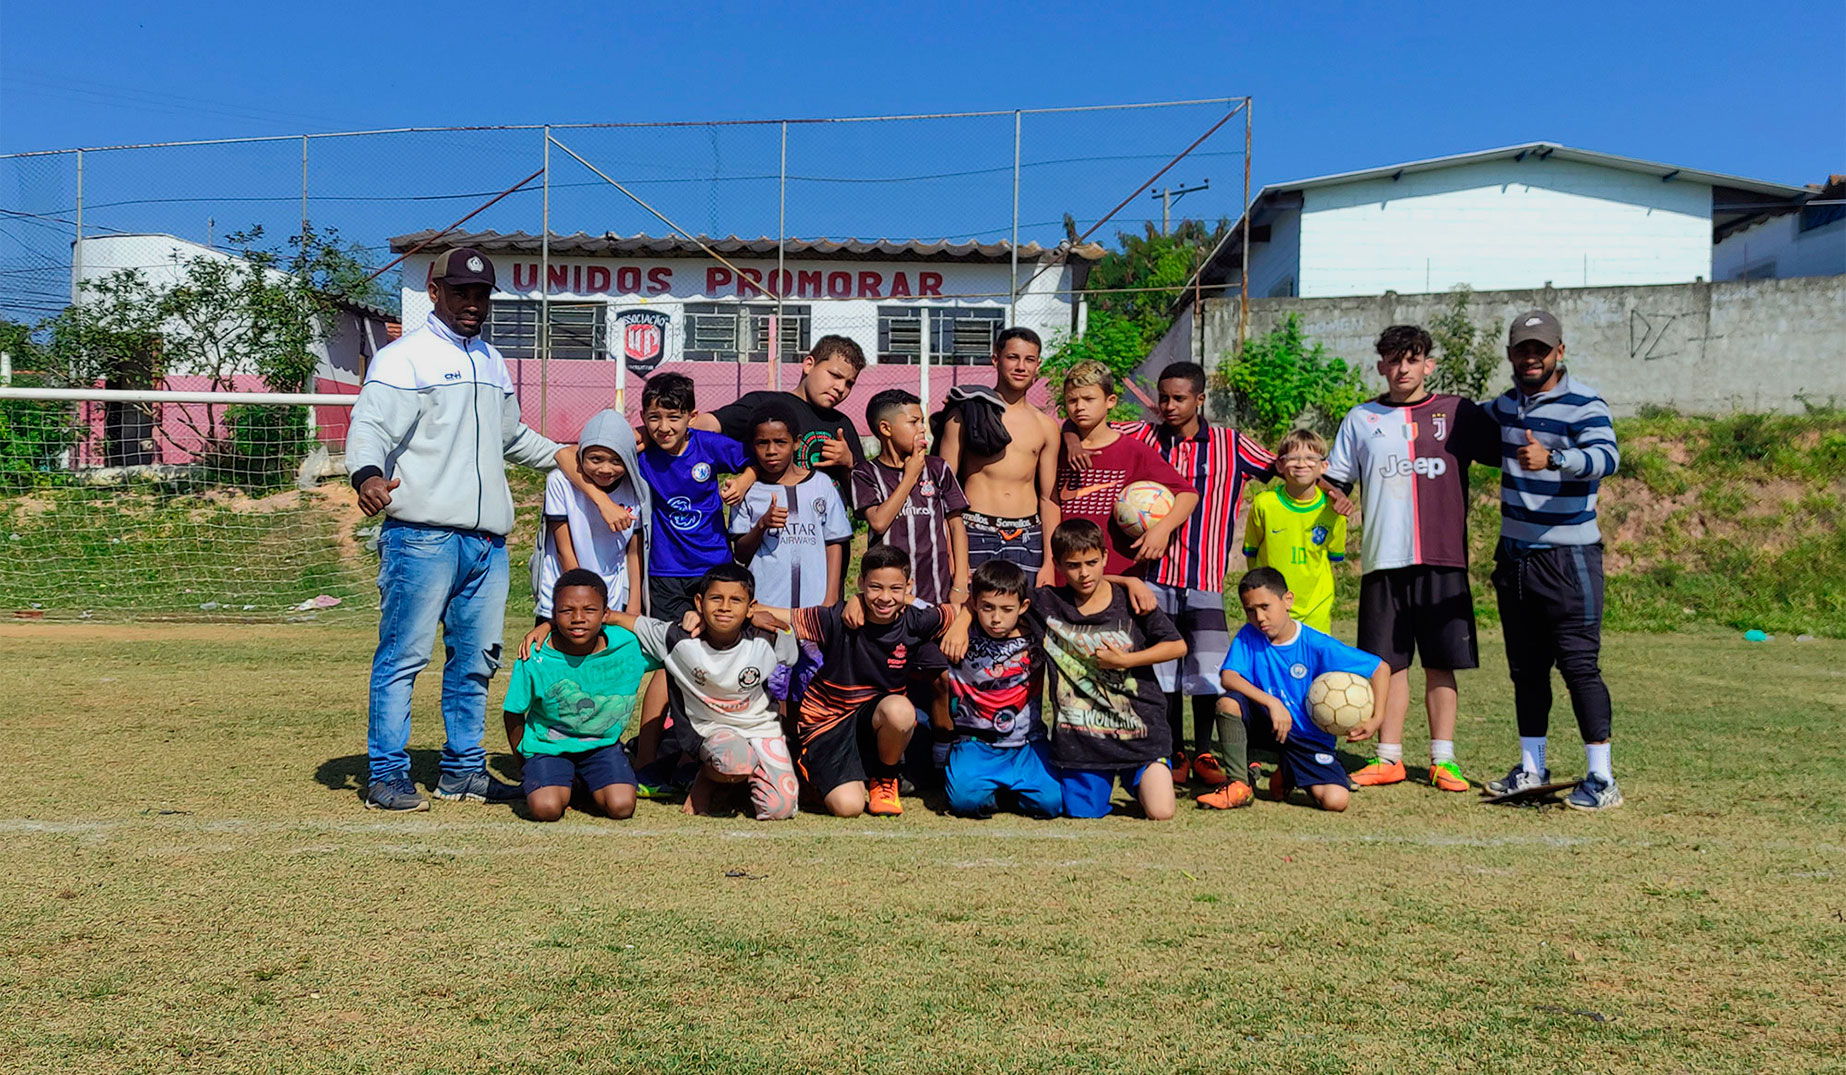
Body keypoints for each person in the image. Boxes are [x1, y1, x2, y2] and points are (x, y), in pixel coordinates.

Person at [347, 247, 616, 812]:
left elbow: (512, 437)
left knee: (476, 662)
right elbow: (368, 424)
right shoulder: (404, 359)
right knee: (404, 657)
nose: (474, 303)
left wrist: (573, 458)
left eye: (482, 294)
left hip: (487, 545)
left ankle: (462, 771)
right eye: (462, 291)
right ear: (434, 290)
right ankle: (387, 774)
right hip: (421, 536)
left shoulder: (492, 360)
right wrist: (367, 473)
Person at [1063, 360, 1274, 788]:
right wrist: (1069, 436)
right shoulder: (1144, 435)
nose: (1169, 405)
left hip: (1205, 571)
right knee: (1163, 669)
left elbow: (1281, 466)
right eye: (1163, 397)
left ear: (1199, 399)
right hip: (1153, 572)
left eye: (1179, 398)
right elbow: (1083, 417)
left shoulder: (1231, 443)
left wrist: (1331, 489)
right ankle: (1174, 748)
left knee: (1206, 667)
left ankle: (1206, 750)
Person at [1325, 324, 1501, 793]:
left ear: (1428, 364)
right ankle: (1389, 758)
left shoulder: (1457, 413)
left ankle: (1443, 760)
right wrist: (1331, 498)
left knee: (1441, 662)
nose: (1402, 368)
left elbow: (1506, 449)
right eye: (1393, 360)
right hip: (1383, 560)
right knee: (1388, 663)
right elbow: (1334, 480)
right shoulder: (1361, 418)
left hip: (1443, 559)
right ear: (1381, 366)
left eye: (1412, 359)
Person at [1482, 309, 1624, 811]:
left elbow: (1608, 458)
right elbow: (1463, 426)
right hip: (1515, 557)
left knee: (1580, 668)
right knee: (1526, 671)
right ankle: (1531, 767)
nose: (1531, 358)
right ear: (1510, 355)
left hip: (1569, 557)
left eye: (1540, 349)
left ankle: (1602, 779)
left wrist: (1556, 458)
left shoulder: (1586, 403)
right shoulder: (1505, 407)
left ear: (1559, 351)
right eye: (1522, 349)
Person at [760, 545, 948, 818]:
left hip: (873, 722)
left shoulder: (917, 621)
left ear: (909, 587)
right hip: (828, 725)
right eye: (874, 587)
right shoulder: (837, 618)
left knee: (900, 710)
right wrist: (749, 609)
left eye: (895, 589)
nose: (885, 597)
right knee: (849, 808)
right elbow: (787, 615)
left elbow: (960, 610)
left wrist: (963, 622)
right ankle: (811, 774)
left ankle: (885, 780)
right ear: (860, 583)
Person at [1015, 519, 1184, 820]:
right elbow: (994, 592)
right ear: (1057, 564)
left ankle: (1141, 778)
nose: (1084, 573)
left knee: (1161, 811)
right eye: (1073, 565)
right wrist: (961, 622)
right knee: (1083, 813)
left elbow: (1177, 646)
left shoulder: (1133, 601)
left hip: (1140, 733)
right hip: (1082, 740)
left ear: (1105, 557)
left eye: (1092, 562)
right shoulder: (1047, 603)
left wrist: (1126, 661)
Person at [630, 371, 754, 783]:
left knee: (708, 663)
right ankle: (645, 760)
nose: (663, 427)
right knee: (672, 662)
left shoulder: (709, 447)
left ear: (692, 416)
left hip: (713, 570)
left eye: (673, 417)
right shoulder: (642, 456)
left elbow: (754, 457)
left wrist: (744, 480)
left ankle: (691, 757)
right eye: (653, 417)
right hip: (665, 574)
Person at [610, 564, 801, 821]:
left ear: (751, 606)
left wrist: (763, 618)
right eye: (716, 599)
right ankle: (707, 780)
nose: (724, 607)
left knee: (780, 808)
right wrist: (548, 627)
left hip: (760, 729)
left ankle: (738, 787)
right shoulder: (678, 638)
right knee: (736, 761)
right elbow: (621, 619)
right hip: (711, 731)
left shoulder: (769, 638)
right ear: (699, 602)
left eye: (736, 600)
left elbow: (793, 653)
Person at [1214, 568, 1390, 813]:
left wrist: (1377, 718)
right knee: (1228, 704)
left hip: (1307, 736)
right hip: (1267, 724)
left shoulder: (1316, 644)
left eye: (1265, 606)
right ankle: (1239, 784)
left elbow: (1381, 668)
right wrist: (1272, 703)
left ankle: (1288, 771)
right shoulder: (1249, 635)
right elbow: (1228, 677)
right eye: (1250, 611)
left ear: (1288, 600)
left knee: (1336, 800)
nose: (1259, 617)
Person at [501, 570, 658, 823]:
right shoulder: (536, 653)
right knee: (546, 809)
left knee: (621, 806)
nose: (578, 618)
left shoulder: (627, 645)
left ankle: (584, 780)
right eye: (566, 611)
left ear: (606, 614)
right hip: (548, 749)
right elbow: (513, 712)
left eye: (589, 610)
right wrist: (523, 763)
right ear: (553, 615)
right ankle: (557, 781)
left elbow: (673, 647)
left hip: (601, 747)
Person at [934, 559, 1061, 819]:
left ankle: (1005, 792)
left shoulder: (1037, 631)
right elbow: (911, 608)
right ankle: (989, 789)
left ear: (1023, 606)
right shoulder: (958, 630)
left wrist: (1130, 582)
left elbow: (1075, 592)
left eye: (1006, 609)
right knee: (963, 802)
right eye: (987, 608)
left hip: (1026, 743)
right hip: (976, 743)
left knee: (1052, 803)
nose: (996, 618)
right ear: (975, 604)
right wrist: (962, 621)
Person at [939, 327, 1064, 583]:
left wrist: (1050, 563)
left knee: (1024, 618)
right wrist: (950, 551)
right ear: (996, 359)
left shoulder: (1046, 426)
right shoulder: (968, 413)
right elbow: (943, 486)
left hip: (1028, 536)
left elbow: (1049, 499)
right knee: (969, 614)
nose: (1021, 366)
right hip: (974, 531)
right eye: (1013, 357)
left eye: (1029, 360)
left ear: (1038, 365)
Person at [1053, 361, 1199, 579]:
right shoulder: (1056, 449)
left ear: (1110, 401)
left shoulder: (1133, 451)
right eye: (1072, 400)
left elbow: (1188, 494)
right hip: (1063, 575)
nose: (1080, 407)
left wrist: (1161, 530)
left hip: (1119, 575)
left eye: (1089, 399)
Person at [528, 408, 646, 639]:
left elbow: (634, 552)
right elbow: (564, 550)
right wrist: (580, 596)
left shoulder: (636, 489)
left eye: (616, 461)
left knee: (605, 669)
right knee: (558, 669)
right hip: (565, 596)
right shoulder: (560, 482)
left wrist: (633, 605)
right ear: (581, 456)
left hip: (610, 602)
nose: (605, 469)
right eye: (595, 459)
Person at [699, 335, 867, 491]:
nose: (840, 388)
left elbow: (862, 500)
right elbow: (710, 424)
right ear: (809, 364)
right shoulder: (764, 405)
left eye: (849, 383)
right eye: (835, 375)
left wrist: (848, 463)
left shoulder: (841, 425)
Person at [852, 388, 971, 607]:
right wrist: (910, 476)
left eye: (922, 422)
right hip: (888, 601)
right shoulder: (865, 473)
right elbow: (878, 523)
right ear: (886, 428)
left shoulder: (937, 468)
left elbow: (956, 526)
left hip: (936, 593)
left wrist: (961, 583)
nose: (922, 429)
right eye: (913, 422)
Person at [730, 401, 852, 609]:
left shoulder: (821, 484)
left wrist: (830, 598)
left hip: (815, 605)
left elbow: (834, 544)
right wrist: (762, 525)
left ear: (796, 443)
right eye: (762, 443)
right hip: (766, 606)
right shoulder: (747, 491)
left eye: (780, 442)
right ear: (752, 445)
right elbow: (740, 553)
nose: (771, 451)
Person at [1243, 428, 1348, 633]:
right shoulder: (1264, 504)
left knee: (1313, 663)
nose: (1301, 464)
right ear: (1280, 465)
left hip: (1315, 609)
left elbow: (1333, 558)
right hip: (1271, 606)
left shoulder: (1333, 510)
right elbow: (1251, 553)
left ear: (1323, 466)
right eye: (1293, 458)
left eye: (1311, 458)